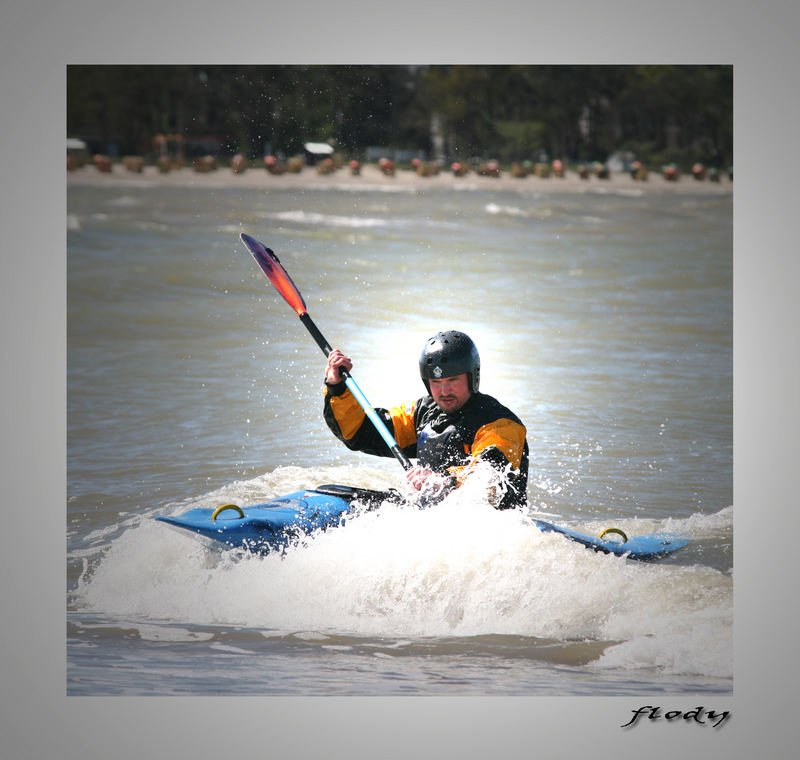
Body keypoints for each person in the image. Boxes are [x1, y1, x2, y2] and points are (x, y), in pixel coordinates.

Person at [323, 330, 529, 509]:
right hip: (429, 514)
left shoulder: (501, 424)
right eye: (436, 382)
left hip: (485, 523)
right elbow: (358, 433)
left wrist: (443, 481)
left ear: (471, 377)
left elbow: (489, 478)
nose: (444, 391)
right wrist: (338, 387)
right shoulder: (423, 412)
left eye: (452, 380)